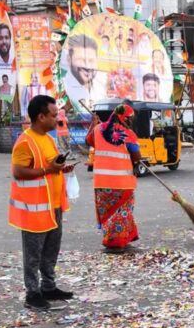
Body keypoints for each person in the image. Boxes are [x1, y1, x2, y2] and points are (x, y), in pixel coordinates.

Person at [9, 95, 75, 310]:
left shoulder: (48, 139)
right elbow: (18, 172)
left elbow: (50, 166)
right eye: (54, 115)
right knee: (33, 254)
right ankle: (32, 293)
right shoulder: (25, 141)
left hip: (54, 206)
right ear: (41, 117)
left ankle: (48, 286)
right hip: (34, 210)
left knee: (51, 250)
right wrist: (49, 169)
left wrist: (61, 168)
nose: (58, 119)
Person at [86, 102, 142, 251]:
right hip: (122, 183)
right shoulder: (128, 133)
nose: (131, 122)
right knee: (122, 213)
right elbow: (137, 156)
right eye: (130, 118)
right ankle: (115, 243)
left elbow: (88, 141)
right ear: (125, 117)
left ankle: (122, 238)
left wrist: (94, 124)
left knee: (109, 213)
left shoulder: (98, 129)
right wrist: (136, 162)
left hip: (101, 183)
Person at [64, 34, 104, 109]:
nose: (87, 66)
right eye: (81, 60)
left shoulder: (103, 84)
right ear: (69, 60)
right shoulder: (63, 88)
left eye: (91, 60)